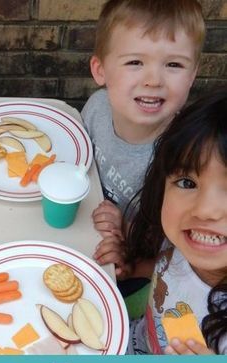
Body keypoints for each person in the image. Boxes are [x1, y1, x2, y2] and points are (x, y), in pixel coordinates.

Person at [80, 0, 204, 278]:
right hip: (80, 230)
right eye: (135, 62)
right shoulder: (97, 108)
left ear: (192, 75)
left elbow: (177, 261)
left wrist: (125, 246)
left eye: (173, 64)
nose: (153, 80)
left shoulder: (186, 159)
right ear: (101, 70)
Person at [126, 87, 227, 354]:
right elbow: (165, 270)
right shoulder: (180, 238)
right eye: (187, 182)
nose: (205, 211)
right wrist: (128, 265)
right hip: (132, 340)